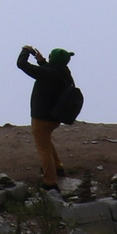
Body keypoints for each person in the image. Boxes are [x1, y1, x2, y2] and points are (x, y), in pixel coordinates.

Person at [18, 45, 78, 185]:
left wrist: (25, 51)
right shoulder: (64, 72)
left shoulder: (47, 74)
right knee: (46, 141)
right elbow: (50, 70)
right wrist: (41, 61)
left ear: (53, 60)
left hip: (41, 118)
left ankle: (50, 182)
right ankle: (58, 167)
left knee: (43, 149)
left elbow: (21, 64)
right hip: (54, 118)